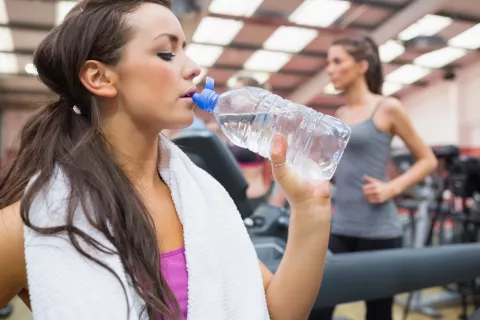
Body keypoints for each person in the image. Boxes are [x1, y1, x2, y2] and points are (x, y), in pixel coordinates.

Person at [0, 1, 331, 320]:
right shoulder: (34, 223)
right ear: (100, 78)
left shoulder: (203, 200)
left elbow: (280, 312)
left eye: (185, 49)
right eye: (166, 53)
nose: (193, 67)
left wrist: (311, 209)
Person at [311, 34, 438, 320]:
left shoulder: (388, 107)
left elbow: (427, 159)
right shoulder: (341, 113)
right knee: (319, 308)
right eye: (328, 62)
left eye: (337, 61)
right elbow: (337, 168)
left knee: (378, 314)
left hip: (380, 231)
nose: (329, 69)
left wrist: (392, 188)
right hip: (341, 227)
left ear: (361, 66)